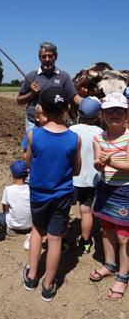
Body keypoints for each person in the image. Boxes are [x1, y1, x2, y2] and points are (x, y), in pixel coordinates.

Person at [23, 87, 81, 302]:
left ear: (42, 111)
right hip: (62, 195)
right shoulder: (74, 138)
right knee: (56, 238)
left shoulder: (33, 135)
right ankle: (48, 285)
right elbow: (76, 170)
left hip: (38, 193)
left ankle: (31, 276)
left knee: (37, 230)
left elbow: (29, 163)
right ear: (67, 108)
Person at [89, 92, 129, 301]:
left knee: (124, 236)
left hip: (125, 191)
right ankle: (109, 265)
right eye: (110, 111)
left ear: (126, 113)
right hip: (105, 188)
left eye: (119, 110)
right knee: (106, 230)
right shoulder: (98, 138)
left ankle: (122, 277)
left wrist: (110, 162)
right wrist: (99, 164)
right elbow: (97, 163)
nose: (115, 114)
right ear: (102, 115)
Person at [17, 42, 82, 131]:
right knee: (33, 144)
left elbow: (74, 96)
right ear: (39, 58)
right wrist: (31, 93)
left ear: (56, 57)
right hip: (33, 123)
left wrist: (89, 103)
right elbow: (19, 101)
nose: (47, 59)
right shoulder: (31, 76)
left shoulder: (64, 76)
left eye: (50, 56)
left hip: (56, 123)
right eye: (43, 56)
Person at [69, 96, 103, 253]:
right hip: (91, 181)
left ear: (79, 113)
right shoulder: (101, 133)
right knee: (86, 211)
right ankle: (86, 241)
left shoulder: (72, 130)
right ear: (98, 116)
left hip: (71, 180)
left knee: (64, 211)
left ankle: (62, 240)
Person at [0, 160, 32, 250]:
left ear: (12, 175)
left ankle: (12, 229)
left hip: (14, 224)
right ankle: (28, 230)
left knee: (1, 217)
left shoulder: (8, 189)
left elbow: (5, 207)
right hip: (30, 224)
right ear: (26, 175)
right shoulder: (31, 189)